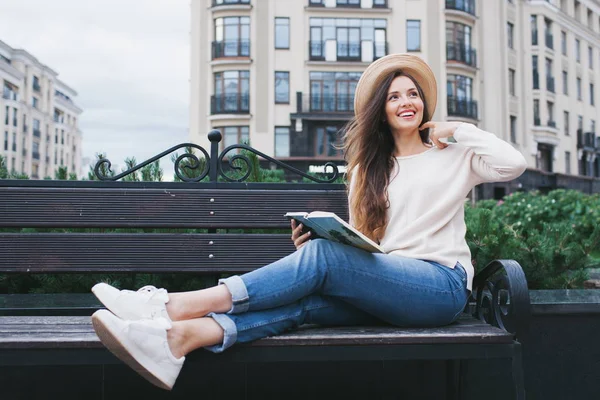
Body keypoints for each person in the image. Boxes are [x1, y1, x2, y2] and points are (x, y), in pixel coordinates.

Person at [90, 53, 527, 390]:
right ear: (382, 109)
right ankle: (177, 341)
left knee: (323, 263)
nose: (405, 102)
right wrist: (319, 249)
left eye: (412, 94)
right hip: (387, 288)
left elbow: (513, 164)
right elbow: (368, 243)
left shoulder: (455, 156)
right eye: (394, 96)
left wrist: (456, 130)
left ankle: (172, 306)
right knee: (303, 307)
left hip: (440, 287)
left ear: (424, 102)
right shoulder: (365, 171)